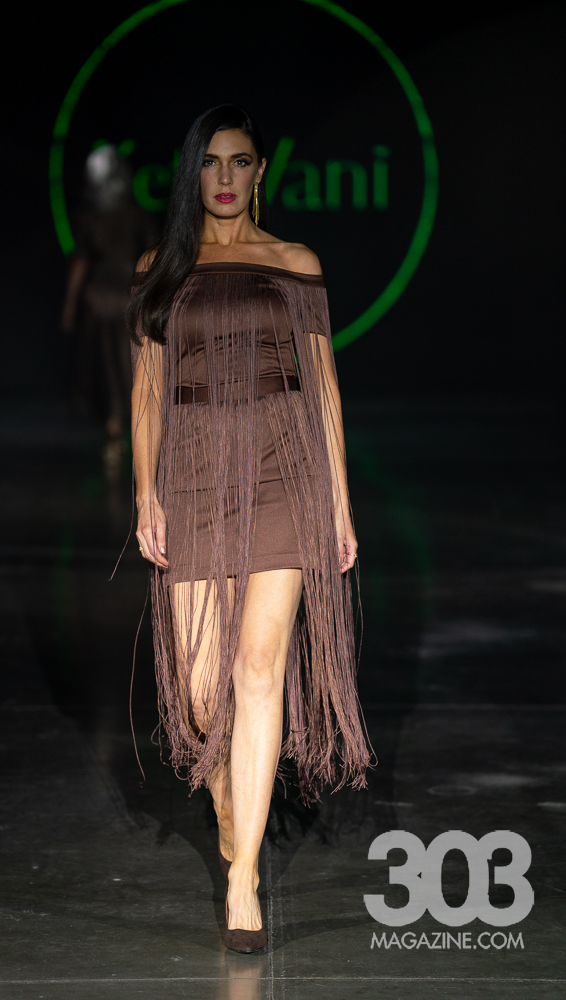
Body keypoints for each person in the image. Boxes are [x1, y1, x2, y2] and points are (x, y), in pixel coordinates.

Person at [127, 105, 370, 953]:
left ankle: (242, 880)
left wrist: (338, 502)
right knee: (201, 697)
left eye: (239, 162)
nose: (225, 177)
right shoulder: (159, 267)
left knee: (258, 669)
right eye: (210, 162)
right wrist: (144, 493)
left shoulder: (293, 263)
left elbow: (323, 387)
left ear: (261, 172)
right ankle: (229, 808)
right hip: (193, 468)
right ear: (192, 174)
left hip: (280, 465)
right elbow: (147, 387)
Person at [61, 145, 156, 476]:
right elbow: (150, 260)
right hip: (124, 295)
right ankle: (121, 428)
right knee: (121, 363)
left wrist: (71, 305)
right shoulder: (134, 215)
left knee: (111, 362)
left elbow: (82, 262)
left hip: (105, 297)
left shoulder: (118, 215)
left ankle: (116, 427)